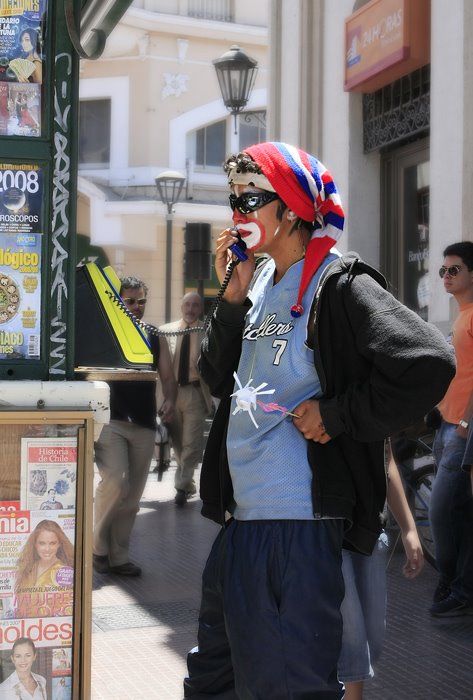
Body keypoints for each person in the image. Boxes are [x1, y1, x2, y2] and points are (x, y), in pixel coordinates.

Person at [184, 142, 455, 699]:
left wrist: (337, 415)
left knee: (289, 687)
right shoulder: (255, 282)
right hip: (240, 525)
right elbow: (216, 380)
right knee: (215, 682)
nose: (238, 215)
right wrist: (230, 301)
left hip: (298, 529)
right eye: (233, 200)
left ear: (290, 209)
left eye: (251, 199)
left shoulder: (340, 283)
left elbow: (428, 361)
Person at [93, 275, 177, 576]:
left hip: (143, 421)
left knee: (132, 498)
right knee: (115, 481)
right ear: (118, 301)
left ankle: (118, 557)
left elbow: (168, 377)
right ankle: (96, 546)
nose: (137, 307)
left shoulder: (154, 334)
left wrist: (169, 399)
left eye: (141, 301)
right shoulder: (102, 332)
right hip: (110, 420)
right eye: (130, 301)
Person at [339, 446, 424, 700]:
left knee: (371, 641)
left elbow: (386, 457)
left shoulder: (373, 406)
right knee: (352, 640)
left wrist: (409, 529)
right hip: (327, 532)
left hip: (371, 532)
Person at [429, 241, 473, 616]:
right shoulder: (461, 314)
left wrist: (466, 422)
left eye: (454, 270)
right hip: (447, 426)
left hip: (462, 430)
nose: (446, 276)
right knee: (455, 514)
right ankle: (459, 586)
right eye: (443, 270)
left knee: (441, 511)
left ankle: (450, 583)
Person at [160, 293, 213, 506]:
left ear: (201, 309)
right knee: (178, 443)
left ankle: (181, 487)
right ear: (181, 306)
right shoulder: (165, 332)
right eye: (187, 304)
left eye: (196, 305)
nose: (191, 309)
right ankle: (188, 482)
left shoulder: (207, 332)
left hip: (194, 393)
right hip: (170, 395)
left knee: (191, 443)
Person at [15, 519, 74, 593]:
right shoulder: (28, 568)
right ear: (35, 544)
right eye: (42, 543)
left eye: (52, 543)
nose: (47, 549)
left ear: (59, 544)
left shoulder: (63, 571)